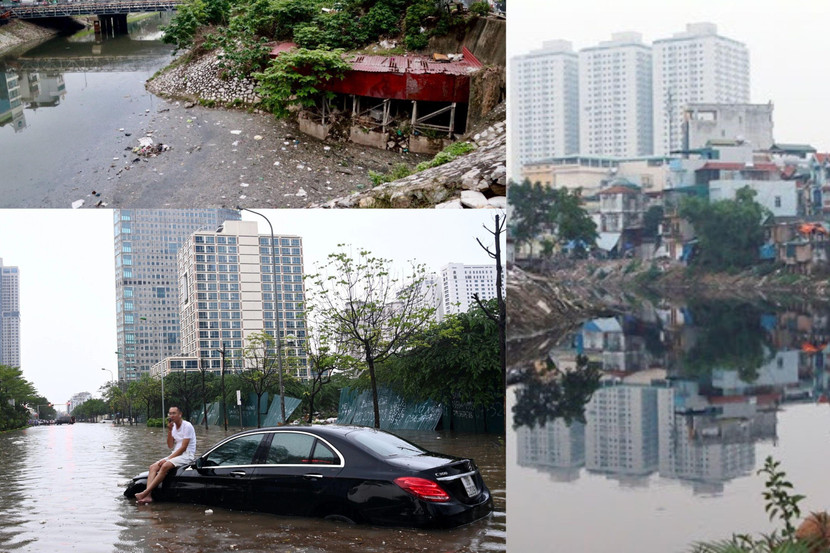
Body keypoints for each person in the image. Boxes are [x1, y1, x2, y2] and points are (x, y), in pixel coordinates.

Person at [135, 406, 196, 504]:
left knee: (165, 466)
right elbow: (170, 446)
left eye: (174, 413)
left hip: (187, 455)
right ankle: (148, 496)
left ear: (180, 414)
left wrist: (168, 460)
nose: (171, 415)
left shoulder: (187, 426)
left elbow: (184, 448)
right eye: (170, 413)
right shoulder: (173, 427)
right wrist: (169, 430)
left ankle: (145, 492)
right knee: (153, 467)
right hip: (176, 454)